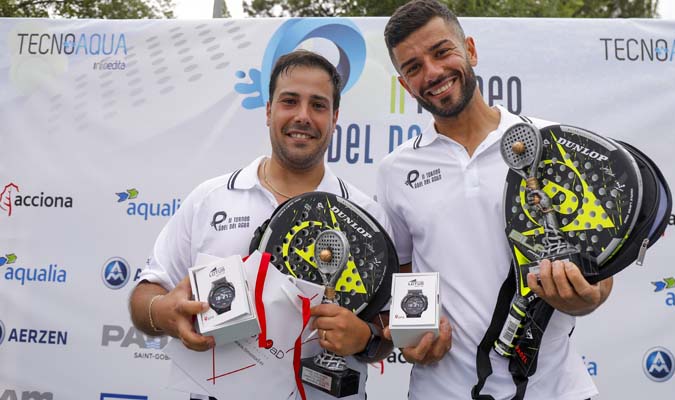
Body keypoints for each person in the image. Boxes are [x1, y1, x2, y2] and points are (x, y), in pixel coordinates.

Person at [377, 1, 613, 399]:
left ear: (470, 50)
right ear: (404, 85)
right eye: (413, 67)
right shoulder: (395, 170)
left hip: (555, 390)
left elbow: (599, 265)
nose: (432, 73)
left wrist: (590, 296)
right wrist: (410, 332)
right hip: (441, 391)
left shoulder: (550, 141)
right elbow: (403, 273)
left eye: (441, 52)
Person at [129, 50, 392, 400]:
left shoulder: (365, 213)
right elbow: (145, 295)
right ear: (268, 110)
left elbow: (389, 334)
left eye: (318, 105)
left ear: (335, 117)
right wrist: (163, 312)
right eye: (289, 101)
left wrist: (365, 340)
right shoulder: (210, 198)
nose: (303, 116)